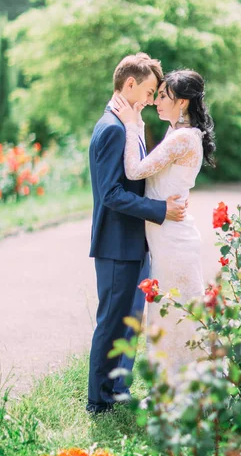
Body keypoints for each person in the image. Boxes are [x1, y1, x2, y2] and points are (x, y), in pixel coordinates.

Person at [87, 53, 187, 415]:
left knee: (130, 322)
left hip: (135, 242)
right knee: (112, 321)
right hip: (116, 244)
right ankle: (98, 400)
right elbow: (111, 194)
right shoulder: (112, 128)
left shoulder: (127, 123)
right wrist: (160, 211)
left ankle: (118, 388)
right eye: (147, 91)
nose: (149, 99)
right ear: (129, 84)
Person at [111, 69, 215, 378]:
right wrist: (139, 124)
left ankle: (183, 388)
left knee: (173, 317)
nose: (156, 100)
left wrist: (131, 125)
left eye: (163, 96)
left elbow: (134, 171)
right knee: (170, 316)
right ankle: (175, 386)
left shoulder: (182, 137)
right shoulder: (178, 133)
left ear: (182, 102)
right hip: (169, 236)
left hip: (173, 242)